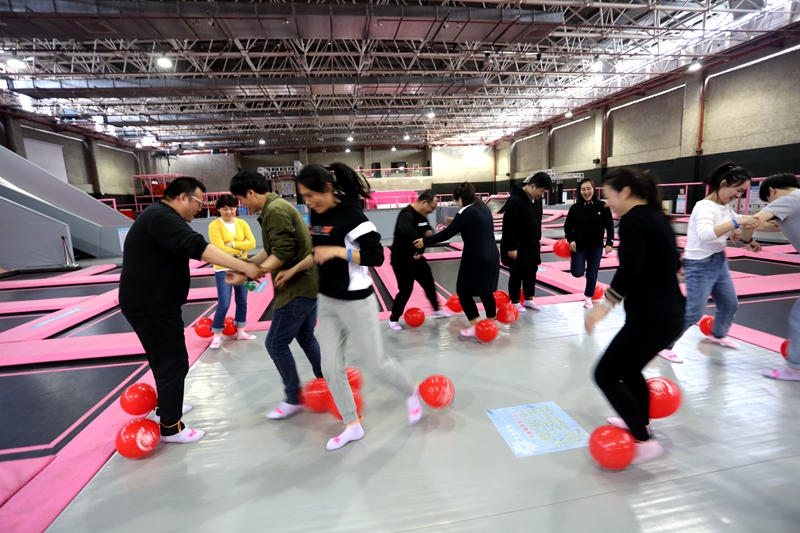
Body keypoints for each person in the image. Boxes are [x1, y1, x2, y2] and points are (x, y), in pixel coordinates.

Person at [278, 163, 421, 451]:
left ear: (328, 188)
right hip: (328, 300)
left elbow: (376, 255)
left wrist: (338, 251)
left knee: (377, 364)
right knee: (330, 367)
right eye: (304, 196)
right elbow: (318, 252)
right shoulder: (318, 213)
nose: (308, 202)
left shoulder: (352, 216)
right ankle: (352, 425)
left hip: (357, 302)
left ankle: (411, 391)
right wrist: (292, 270)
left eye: (311, 195)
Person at [119, 177, 265, 443]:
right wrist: (245, 266)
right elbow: (199, 247)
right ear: (183, 197)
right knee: (172, 363)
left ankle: (167, 407)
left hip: (155, 303)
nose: (200, 208)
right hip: (152, 306)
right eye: (199, 201)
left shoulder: (159, 215)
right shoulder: (162, 217)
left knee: (168, 360)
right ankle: (171, 427)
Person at [585, 168, 685, 465]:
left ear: (626, 192)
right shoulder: (657, 217)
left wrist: (604, 306)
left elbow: (630, 269)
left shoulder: (633, 220)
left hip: (653, 317)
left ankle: (644, 439)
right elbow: (671, 265)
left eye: (609, 196)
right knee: (628, 370)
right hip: (668, 314)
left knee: (605, 374)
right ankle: (639, 421)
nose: (607, 203)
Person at [228, 170, 324, 420]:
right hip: (307, 286)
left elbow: (282, 252)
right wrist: (249, 264)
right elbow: (271, 250)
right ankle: (329, 381)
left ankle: (293, 397)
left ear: (250, 193)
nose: (242, 205)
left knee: (275, 343)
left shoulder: (275, 211)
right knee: (306, 336)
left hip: (296, 289)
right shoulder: (275, 207)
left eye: (241, 199)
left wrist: (250, 274)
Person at [657, 164, 760, 364]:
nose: (739, 196)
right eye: (738, 190)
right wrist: (736, 224)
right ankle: (664, 344)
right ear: (724, 184)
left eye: (743, 192)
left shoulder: (725, 206)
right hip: (699, 265)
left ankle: (718, 335)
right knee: (694, 311)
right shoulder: (704, 206)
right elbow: (706, 234)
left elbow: (736, 218)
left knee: (730, 304)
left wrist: (752, 226)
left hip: (719, 261)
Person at [416, 182, 500, 337]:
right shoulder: (483, 207)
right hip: (493, 255)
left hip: (476, 257)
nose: (457, 203)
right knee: (486, 291)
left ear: (460, 198)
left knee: (463, 291)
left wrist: (425, 241)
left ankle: (475, 324)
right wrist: (455, 221)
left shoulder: (465, 212)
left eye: (456, 200)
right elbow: (474, 225)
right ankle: (490, 323)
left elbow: (446, 234)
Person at [744, 173, 800, 381]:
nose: (770, 206)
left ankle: (795, 369)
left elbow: (752, 223)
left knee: (798, 318)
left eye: (768, 201)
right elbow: (773, 225)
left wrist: (746, 240)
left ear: (772, 191)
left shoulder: (787, 200)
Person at [388, 190, 453, 331]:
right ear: (424, 203)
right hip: (402, 259)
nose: (432, 211)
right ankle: (393, 318)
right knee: (406, 289)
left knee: (429, 282)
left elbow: (428, 229)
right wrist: (420, 247)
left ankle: (436, 309)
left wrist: (429, 233)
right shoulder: (406, 214)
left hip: (417, 258)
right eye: (432, 208)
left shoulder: (422, 215)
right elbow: (408, 232)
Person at [207, 194, 258, 349]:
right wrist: (241, 247)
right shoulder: (214, 225)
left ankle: (241, 331)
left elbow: (252, 244)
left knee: (242, 301)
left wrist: (233, 244)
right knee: (224, 304)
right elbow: (219, 248)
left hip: (241, 268)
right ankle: (216, 334)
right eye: (224, 209)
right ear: (218, 209)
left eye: (232, 208)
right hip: (223, 269)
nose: (229, 212)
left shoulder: (242, 223)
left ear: (236, 208)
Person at [500, 172, 552, 313]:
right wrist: (511, 247)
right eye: (541, 191)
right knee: (517, 273)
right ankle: (515, 300)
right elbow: (509, 226)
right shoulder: (515, 201)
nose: (541, 195)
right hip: (518, 245)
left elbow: (538, 221)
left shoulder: (537, 201)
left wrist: (538, 238)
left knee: (531, 271)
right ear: (533, 186)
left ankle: (529, 298)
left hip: (532, 243)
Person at [564, 178, 615, 309]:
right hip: (579, 246)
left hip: (596, 247)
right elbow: (567, 227)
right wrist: (571, 240)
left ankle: (588, 298)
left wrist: (609, 242)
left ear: (594, 189)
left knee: (592, 274)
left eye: (588, 189)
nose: (586, 192)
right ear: (579, 191)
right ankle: (575, 262)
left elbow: (609, 225)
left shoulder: (602, 206)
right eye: (583, 189)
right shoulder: (575, 208)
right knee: (577, 272)